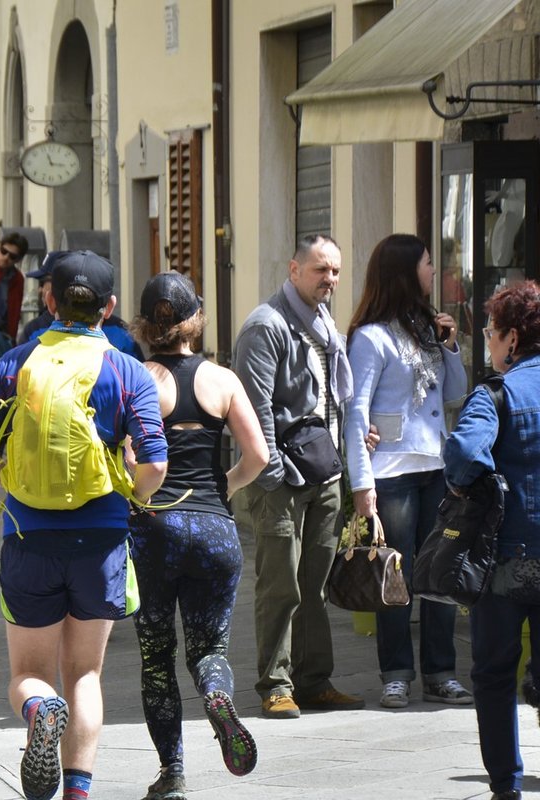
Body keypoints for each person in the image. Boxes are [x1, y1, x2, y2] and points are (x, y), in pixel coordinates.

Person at [0, 251, 168, 800]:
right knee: (86, 676)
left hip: (29, 537)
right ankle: (77, 792)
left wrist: (10, 482)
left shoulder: (15, 363)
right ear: (111, 307)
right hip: (101, 540)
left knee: (29, 672)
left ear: (48, 299)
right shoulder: (127, 370)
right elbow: (156, 463)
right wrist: (131, 498)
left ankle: (38, 708)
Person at [129, 271, 267, 798]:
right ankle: (216, 692)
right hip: (215, 530)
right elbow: (258, 456)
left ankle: (173, 774)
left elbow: (125, 457)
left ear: (145, 324)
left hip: (154, 530)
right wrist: (222, 488)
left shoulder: (137, 378)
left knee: (157, 657)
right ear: (196, 320)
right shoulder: (223, 380)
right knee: (209, 648)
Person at [231, 233, 364, 719]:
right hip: (283, 477)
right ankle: (275, 683)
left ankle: (314, 680)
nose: (329, 279)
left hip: (324, 472)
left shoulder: (324, 324)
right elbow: (253, 406)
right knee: (280, 585)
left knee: (316, 584)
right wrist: (271, 475)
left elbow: (333, 399)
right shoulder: (266, 326)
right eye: (320, 270)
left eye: (335, 271)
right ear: (293, 269)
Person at [343, 233, 473, 710]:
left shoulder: (426, 328)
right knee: (393, 576)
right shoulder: (371, 336)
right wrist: (362, 483)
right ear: (404, 272)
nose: (433, 270)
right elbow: (356, 412)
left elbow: (454, 394)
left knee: (438, 573)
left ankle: (440, 672)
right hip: (392, 471)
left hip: (437, 466)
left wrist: (452, 346)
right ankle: (396, 672)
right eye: (426, 262)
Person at [444, 281, 540, 800]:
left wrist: (483, 489)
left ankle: (506, 787)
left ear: (511, 337)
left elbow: (464, 455)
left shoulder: (496, 394)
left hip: (505, 559)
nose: (488, 341)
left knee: (495, 675)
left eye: (490, 331)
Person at [21, 252, 142, 358]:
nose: (40, 289)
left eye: (45, 282)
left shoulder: (33, 334)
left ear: (51, 300)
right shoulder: (128, 368)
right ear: (110, 306)